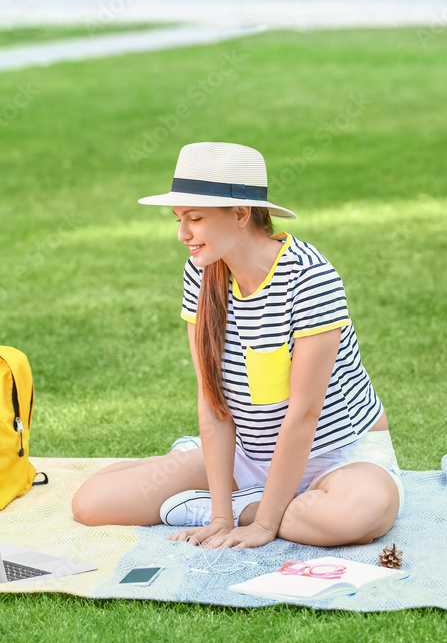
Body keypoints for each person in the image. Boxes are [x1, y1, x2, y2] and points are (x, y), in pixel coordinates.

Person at [71, 142, 403, 549]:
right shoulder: (202, 273)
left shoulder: (310, 279)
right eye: (179, 219)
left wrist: (262, 525)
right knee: (91, 503)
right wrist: (220, 516)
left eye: (195, 218)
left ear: (242, 214)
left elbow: (304, 414)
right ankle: (241, 497)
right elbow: (212, 402)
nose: (182, 234)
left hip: (338, 457)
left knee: (355, 516)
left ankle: (260, 507)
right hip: (248, 457)